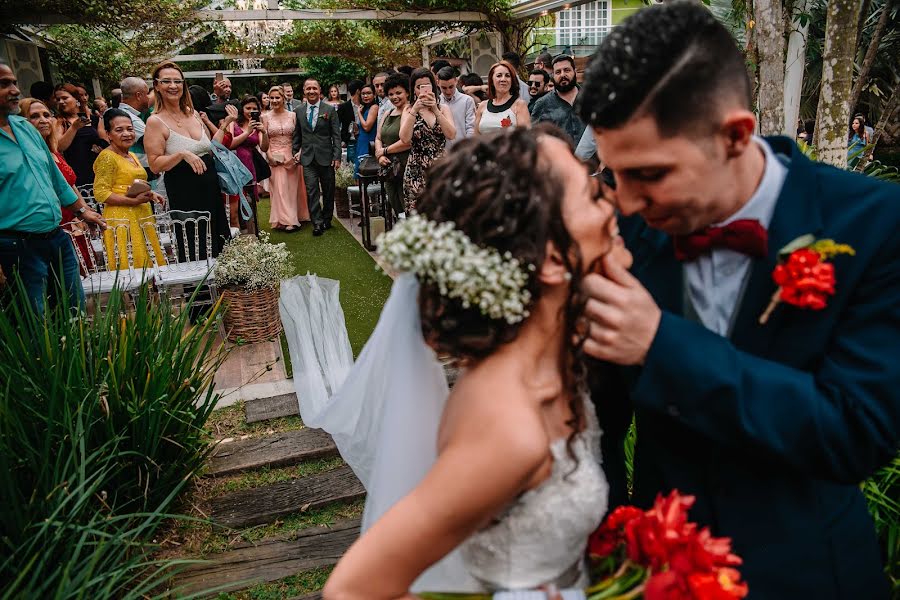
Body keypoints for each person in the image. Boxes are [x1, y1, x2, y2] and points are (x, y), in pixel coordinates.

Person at [577, 3, 899, 597]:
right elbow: (596, 420)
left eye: (649, 174)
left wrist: (662, 344)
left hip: (808, 576)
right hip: (652, 573)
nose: (624, 202)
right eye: (614, 174)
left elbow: (856, 432)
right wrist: (605, 552)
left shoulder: (874, 226)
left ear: (735, 134)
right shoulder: (624, 236)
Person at [322, 125, 628, 597]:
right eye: (592, 195)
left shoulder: (553, 367)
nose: (612, 204)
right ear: (549, 261)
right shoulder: (510, 429)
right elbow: (354, 588)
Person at [0, 61, 105, 313]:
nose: (15, 89)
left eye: (14, 82)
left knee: (74, 313)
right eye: (4, 84)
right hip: (16, 246)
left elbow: (54, 177)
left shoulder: (25, 128)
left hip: (57, 237)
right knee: (35, 321)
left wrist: (83, 211)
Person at [144, 61, 231, 259]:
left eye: (177, 81)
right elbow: (155, 165)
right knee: (195, 244)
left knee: (219, 242)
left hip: (210, 187)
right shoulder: (155, 121)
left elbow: (209, 147)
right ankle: (199, 289)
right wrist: (181, 154)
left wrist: (225, 126)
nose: (173, 86)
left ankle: (226, 289)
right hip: (184, 191)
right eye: (166, 81)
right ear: (156, 86)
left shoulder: (193, 115)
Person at [20, 97, 95, 274]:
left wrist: (84, 212)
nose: (43, 120)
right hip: (53, 225)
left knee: (86, 279)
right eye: (34, 116)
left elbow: (70, 185)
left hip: (74, 221)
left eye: (46, 114)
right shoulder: (27, 156)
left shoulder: (54, 153)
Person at [92, 108, 165, 269]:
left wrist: (150, 193)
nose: (127, 134)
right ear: (108, 134)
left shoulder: (130, 154)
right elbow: (101, 193)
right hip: (122, 218)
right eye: (119, 130)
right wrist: (132, 201)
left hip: (141, 213)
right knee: (131, 266)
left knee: (149, 262)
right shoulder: (107, 157)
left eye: (129, 129)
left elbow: (128, 183)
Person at [400, 68, 456, 213]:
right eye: (419, 87)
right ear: (413, 89)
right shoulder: (408, 110)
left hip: (440, 167)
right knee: (416, 215)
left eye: (426, 86)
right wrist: (415, 110)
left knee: (442, 214)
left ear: (433, 86)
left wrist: (435, 110)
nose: (422, 90)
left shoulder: (443, 108)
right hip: (415, 169)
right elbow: (404, 138)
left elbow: (451, 134)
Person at [291, 78, 341, 237]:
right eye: (308, 88)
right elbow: (297, 134)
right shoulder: (298, 111)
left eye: (314, 88)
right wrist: (295, 151)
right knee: (311, 191)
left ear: (320, 91)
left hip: (326, 157)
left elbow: (336, 135)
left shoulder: (329, 110)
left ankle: (327, 218)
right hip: (307, 159)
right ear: (304, 91)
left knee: (328, 190)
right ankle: (317, 223)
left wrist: (337, 155)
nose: (311, 91)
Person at [262, 85, 308, 232]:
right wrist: (269, 156)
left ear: (283, 98)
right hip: (275, 156)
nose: (274, 100)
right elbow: (264, 139)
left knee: (292, 189)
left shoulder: (293, 115)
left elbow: (300, 136)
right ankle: (286, 220)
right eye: (272, 98)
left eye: (277, 97)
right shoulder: (265, 117)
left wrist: (299, 152)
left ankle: (294, 216)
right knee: (279, 188)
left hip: (292, 156)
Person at [228, 95, 269, 234]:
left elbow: (264, 147)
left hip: (249, 165)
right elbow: (230, 144)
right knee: (236, 200)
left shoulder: (258, 123)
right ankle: (239, 231)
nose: (250, 111)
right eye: (248, 108)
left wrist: (264, 132)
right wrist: (247, 132)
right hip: (235, 163)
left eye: (254, 108)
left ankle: (253, 231)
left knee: (249, 199)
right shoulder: (233, 123)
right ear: (242, 109)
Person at [374, 73, 412, 218]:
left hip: (406, 166)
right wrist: (380, 155)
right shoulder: (388, 112)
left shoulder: (410, 111)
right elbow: (378, 137)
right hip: (389, 168)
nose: (394, 97)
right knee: (395, 206)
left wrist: (384, 150)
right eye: (390, 94)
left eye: (398, 93)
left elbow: (407, 142)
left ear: (407, 92)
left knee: (407, 207)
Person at [55, 82, 107, 187]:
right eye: (58, 99)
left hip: (98, 171)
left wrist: (101, 148)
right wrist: (74, 128)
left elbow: (105, 141)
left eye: (65, 98)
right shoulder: (60, 121)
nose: (61, 102)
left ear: (76, 100)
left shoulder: (94, 119)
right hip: (77, 174)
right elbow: (59, 147)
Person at [530, 55, 585, 145]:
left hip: (590, 158)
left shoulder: (590, 98)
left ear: (575, 72)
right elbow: (533, 138)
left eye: (567, 70)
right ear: (553, 75)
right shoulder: (542, 104)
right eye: (558, 72)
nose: (563, 74)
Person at [474, 61, 531, 135]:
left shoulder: (519, 105)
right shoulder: (482, 106)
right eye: (499, 75)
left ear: (512, 80)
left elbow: (525, 137)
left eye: (507, 76)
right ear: (492, 80)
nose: (503, 79)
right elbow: (475, 136)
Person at [436, 66, 475, 148]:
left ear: (456, 81)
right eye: (444, 88)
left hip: (462, 150)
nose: (448, 91)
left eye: (451, 87)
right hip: (442, 152)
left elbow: (471, 128)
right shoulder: (436, 103)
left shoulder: (467, 101)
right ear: (438, 83)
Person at [118, 76, 152, 168]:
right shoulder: (129, 118)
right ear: (138, 95)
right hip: (141, 173)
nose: (149, 97)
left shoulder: (125, 114)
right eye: (147, 94)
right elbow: (154, 143)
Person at [353, 83, 379, 179]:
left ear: (374, 95)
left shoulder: (374, 107)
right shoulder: (366, 108)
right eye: (363, 94)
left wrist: (359, 113)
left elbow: (367, 127)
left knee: (365, 175)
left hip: (368, 144)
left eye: (368, 93)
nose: (365, 96)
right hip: (361, 142)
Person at [338, 79, 365, 167]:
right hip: (350, 141)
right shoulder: (343, 107)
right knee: (352, 167)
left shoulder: (366, 106)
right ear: (358, 91)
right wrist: (342, 140)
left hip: (364, 140)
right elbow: (337, 124)